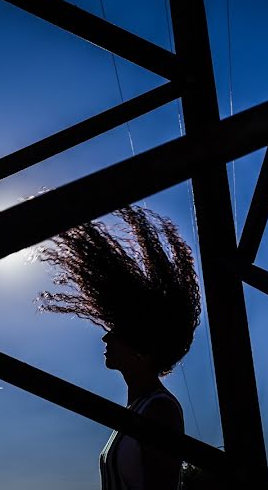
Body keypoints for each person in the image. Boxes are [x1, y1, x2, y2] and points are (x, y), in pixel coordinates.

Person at [39, 206, 201, 490]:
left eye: (117, 333)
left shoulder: (159, 410)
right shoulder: (136, 408)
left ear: (143, 348)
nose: (106, 339)